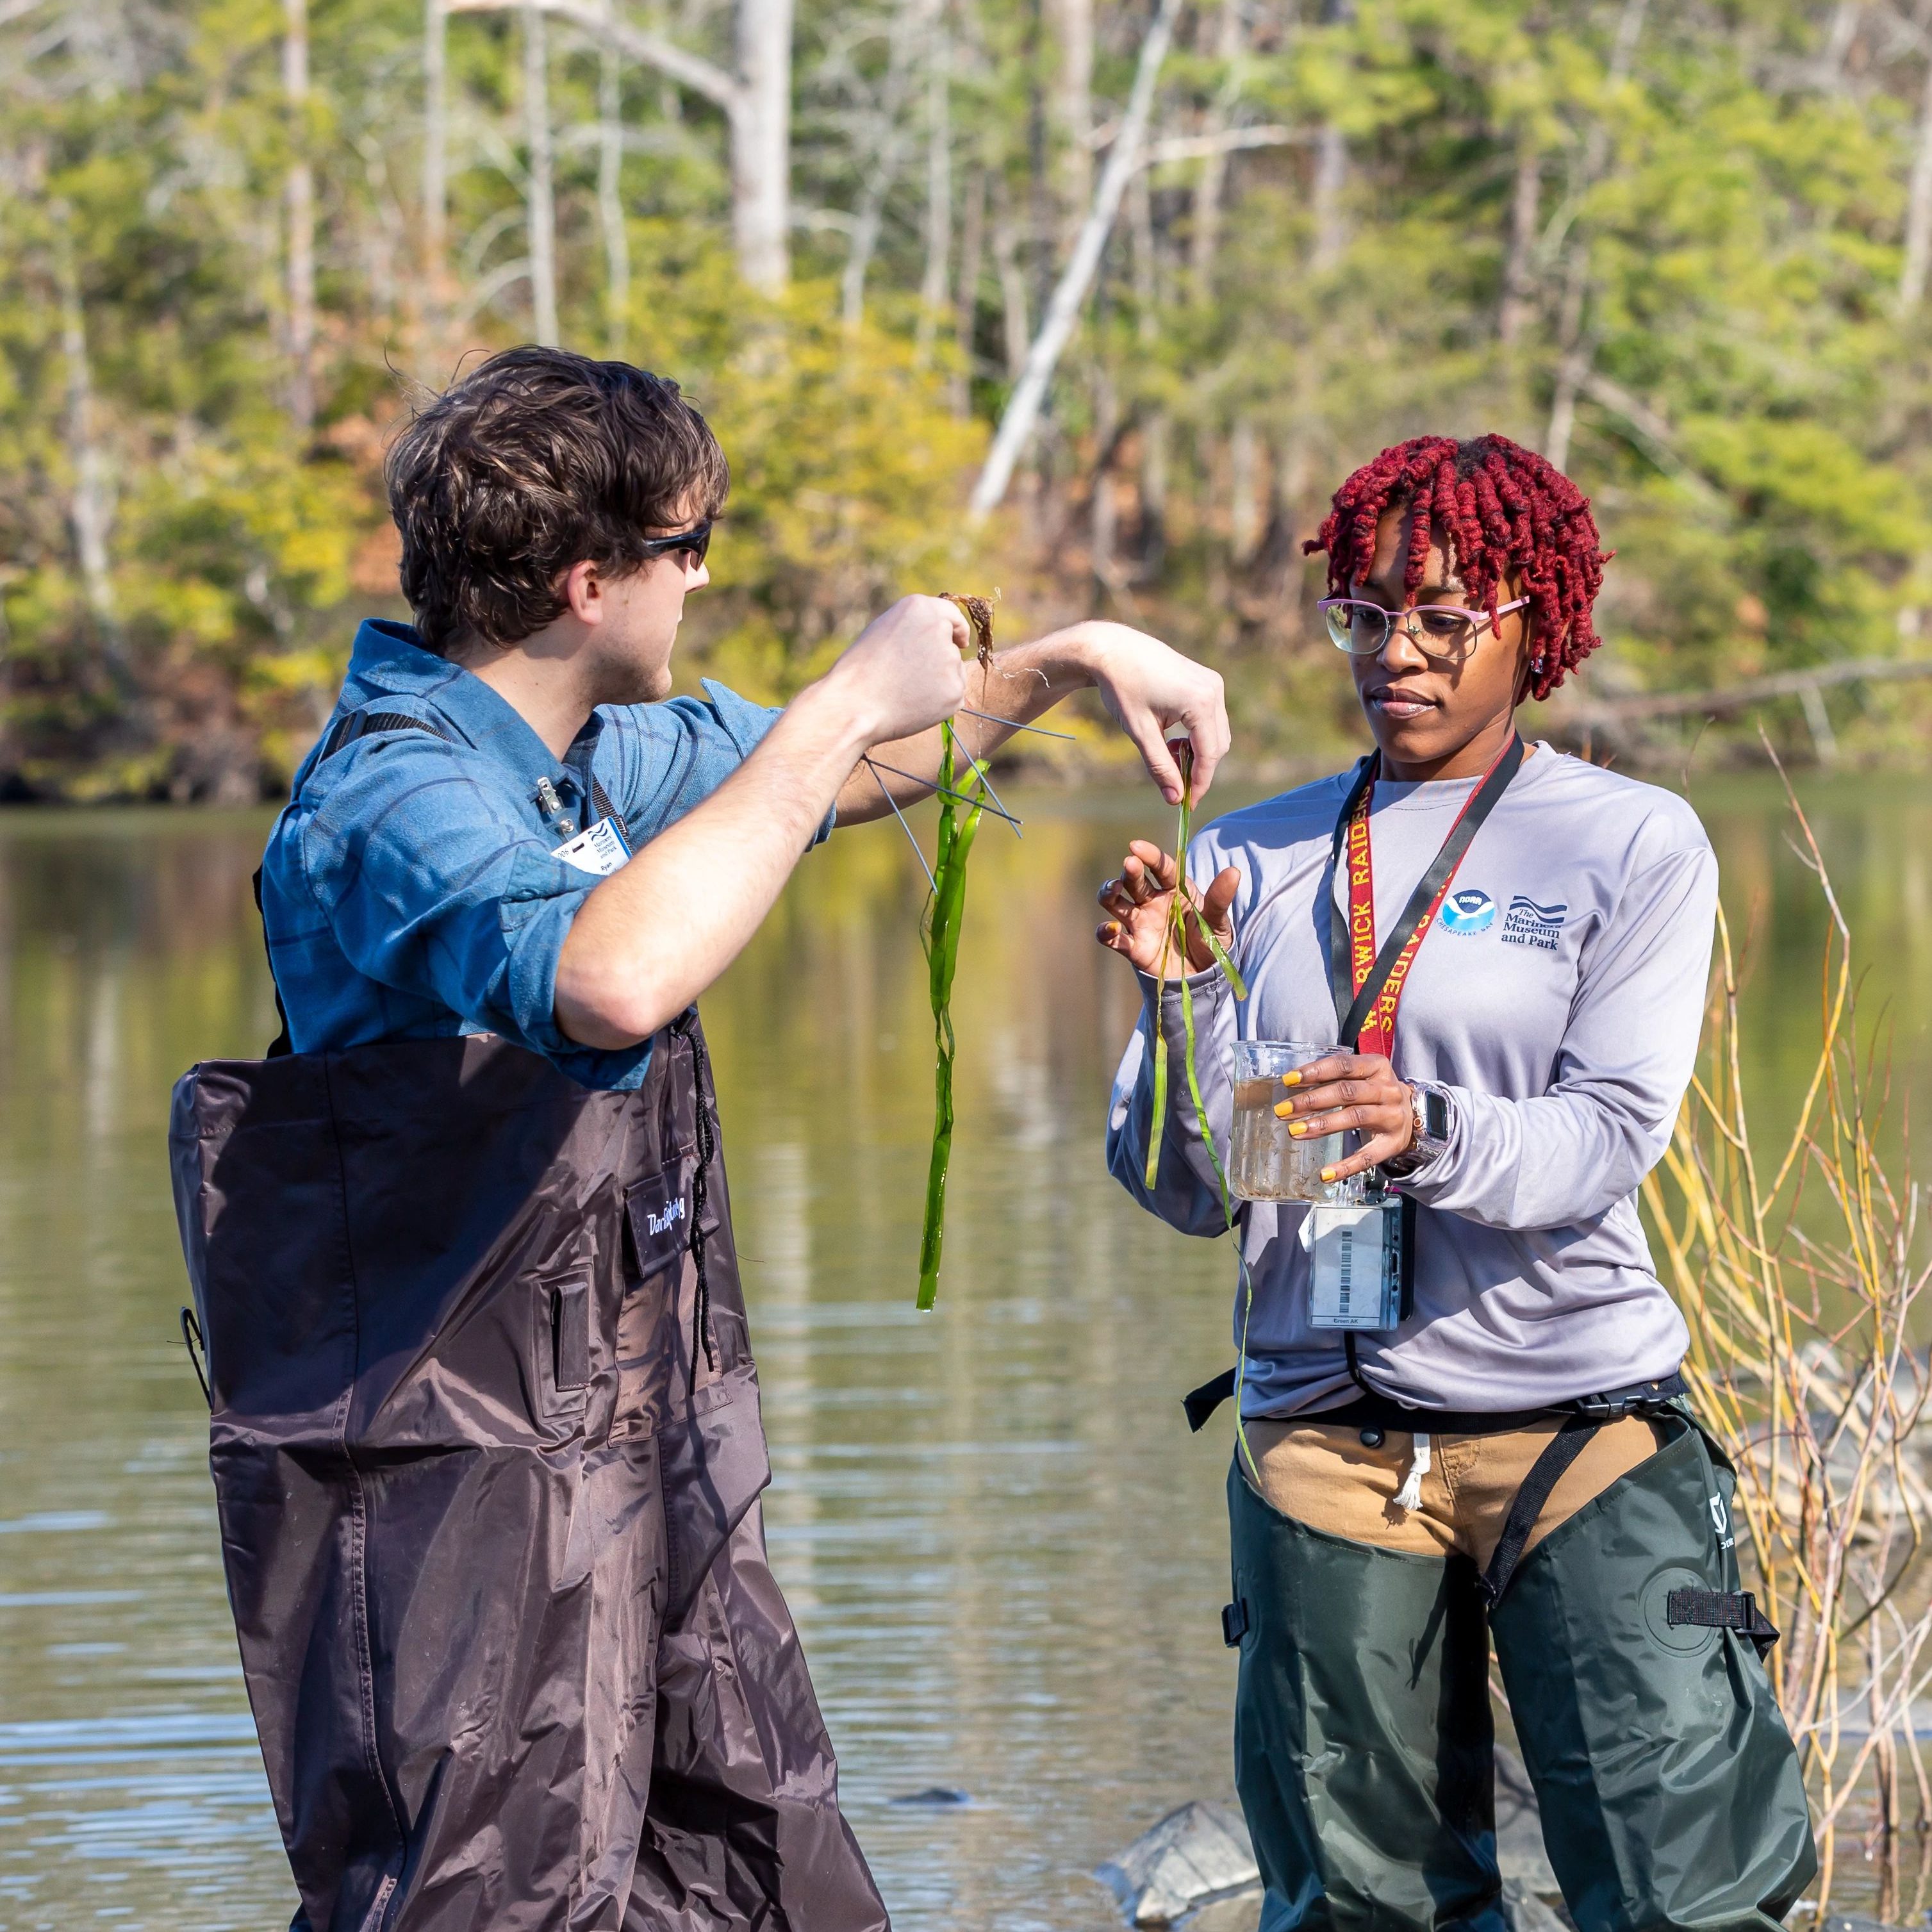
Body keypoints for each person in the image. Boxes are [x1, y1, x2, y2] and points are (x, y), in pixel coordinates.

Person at [168, 344, 1228, 1932]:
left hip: (636, 1437)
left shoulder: (593, 749)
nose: (708, 571)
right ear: (591, 581)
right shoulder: (393, 795)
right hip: (446, 1478)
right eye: (688, 545)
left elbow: (853, 766)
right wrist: (840, 699)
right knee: (493, 1895)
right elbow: (608, 975)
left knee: (750, 1860)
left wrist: (1070, 657)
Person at [1098, 433, 1815, 1931]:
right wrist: (1175, 1001)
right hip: (1323, 1445)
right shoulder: (1249, 852)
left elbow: (1606, 1135)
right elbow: (1186, 1184)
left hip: (1578, 1431)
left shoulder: (1625, 838)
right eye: (1364, 614)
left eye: (1441, 615)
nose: (1394, 652)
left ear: (1531, 625)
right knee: (1361, 1910)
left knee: (1682, 1898)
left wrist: (1416, 1124)